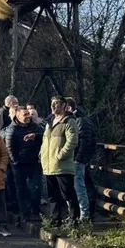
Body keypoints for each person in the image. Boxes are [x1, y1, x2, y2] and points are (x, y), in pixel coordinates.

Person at [41, 96, 80, 227]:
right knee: (52, 195)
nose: (53, 106)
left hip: (61, 165)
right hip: (48, 164)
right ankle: (55, 218)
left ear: (64, 106)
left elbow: (72, 141)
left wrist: (60, 155)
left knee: (67, 193)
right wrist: (42, 155)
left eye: (56, 104)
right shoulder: (49, 122)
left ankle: (74, 219)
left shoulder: (69, 121)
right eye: (52, 104)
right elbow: (45, 140)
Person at [4, 106, 44, 223]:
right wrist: (15, 162)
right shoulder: (13, 129)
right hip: (19, 164)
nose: (28, 117)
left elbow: (43, 138)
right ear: (18, 116)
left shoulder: (35, 127)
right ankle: (24, 212)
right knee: (21, 188)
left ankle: (35, 211)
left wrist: (36, 137)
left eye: (28, 114)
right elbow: (9, 147)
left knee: (35, 187)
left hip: (34, 161)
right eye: (25, 115)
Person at [66, 98, 95, 221]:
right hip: (76, 159)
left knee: (80, 186)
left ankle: (85, 215)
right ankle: (79, 214)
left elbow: (85, 141)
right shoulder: (76, 120)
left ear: (68, 107)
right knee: (78, 186)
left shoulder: (80, 121)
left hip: (78, 159)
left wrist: (79, 159)